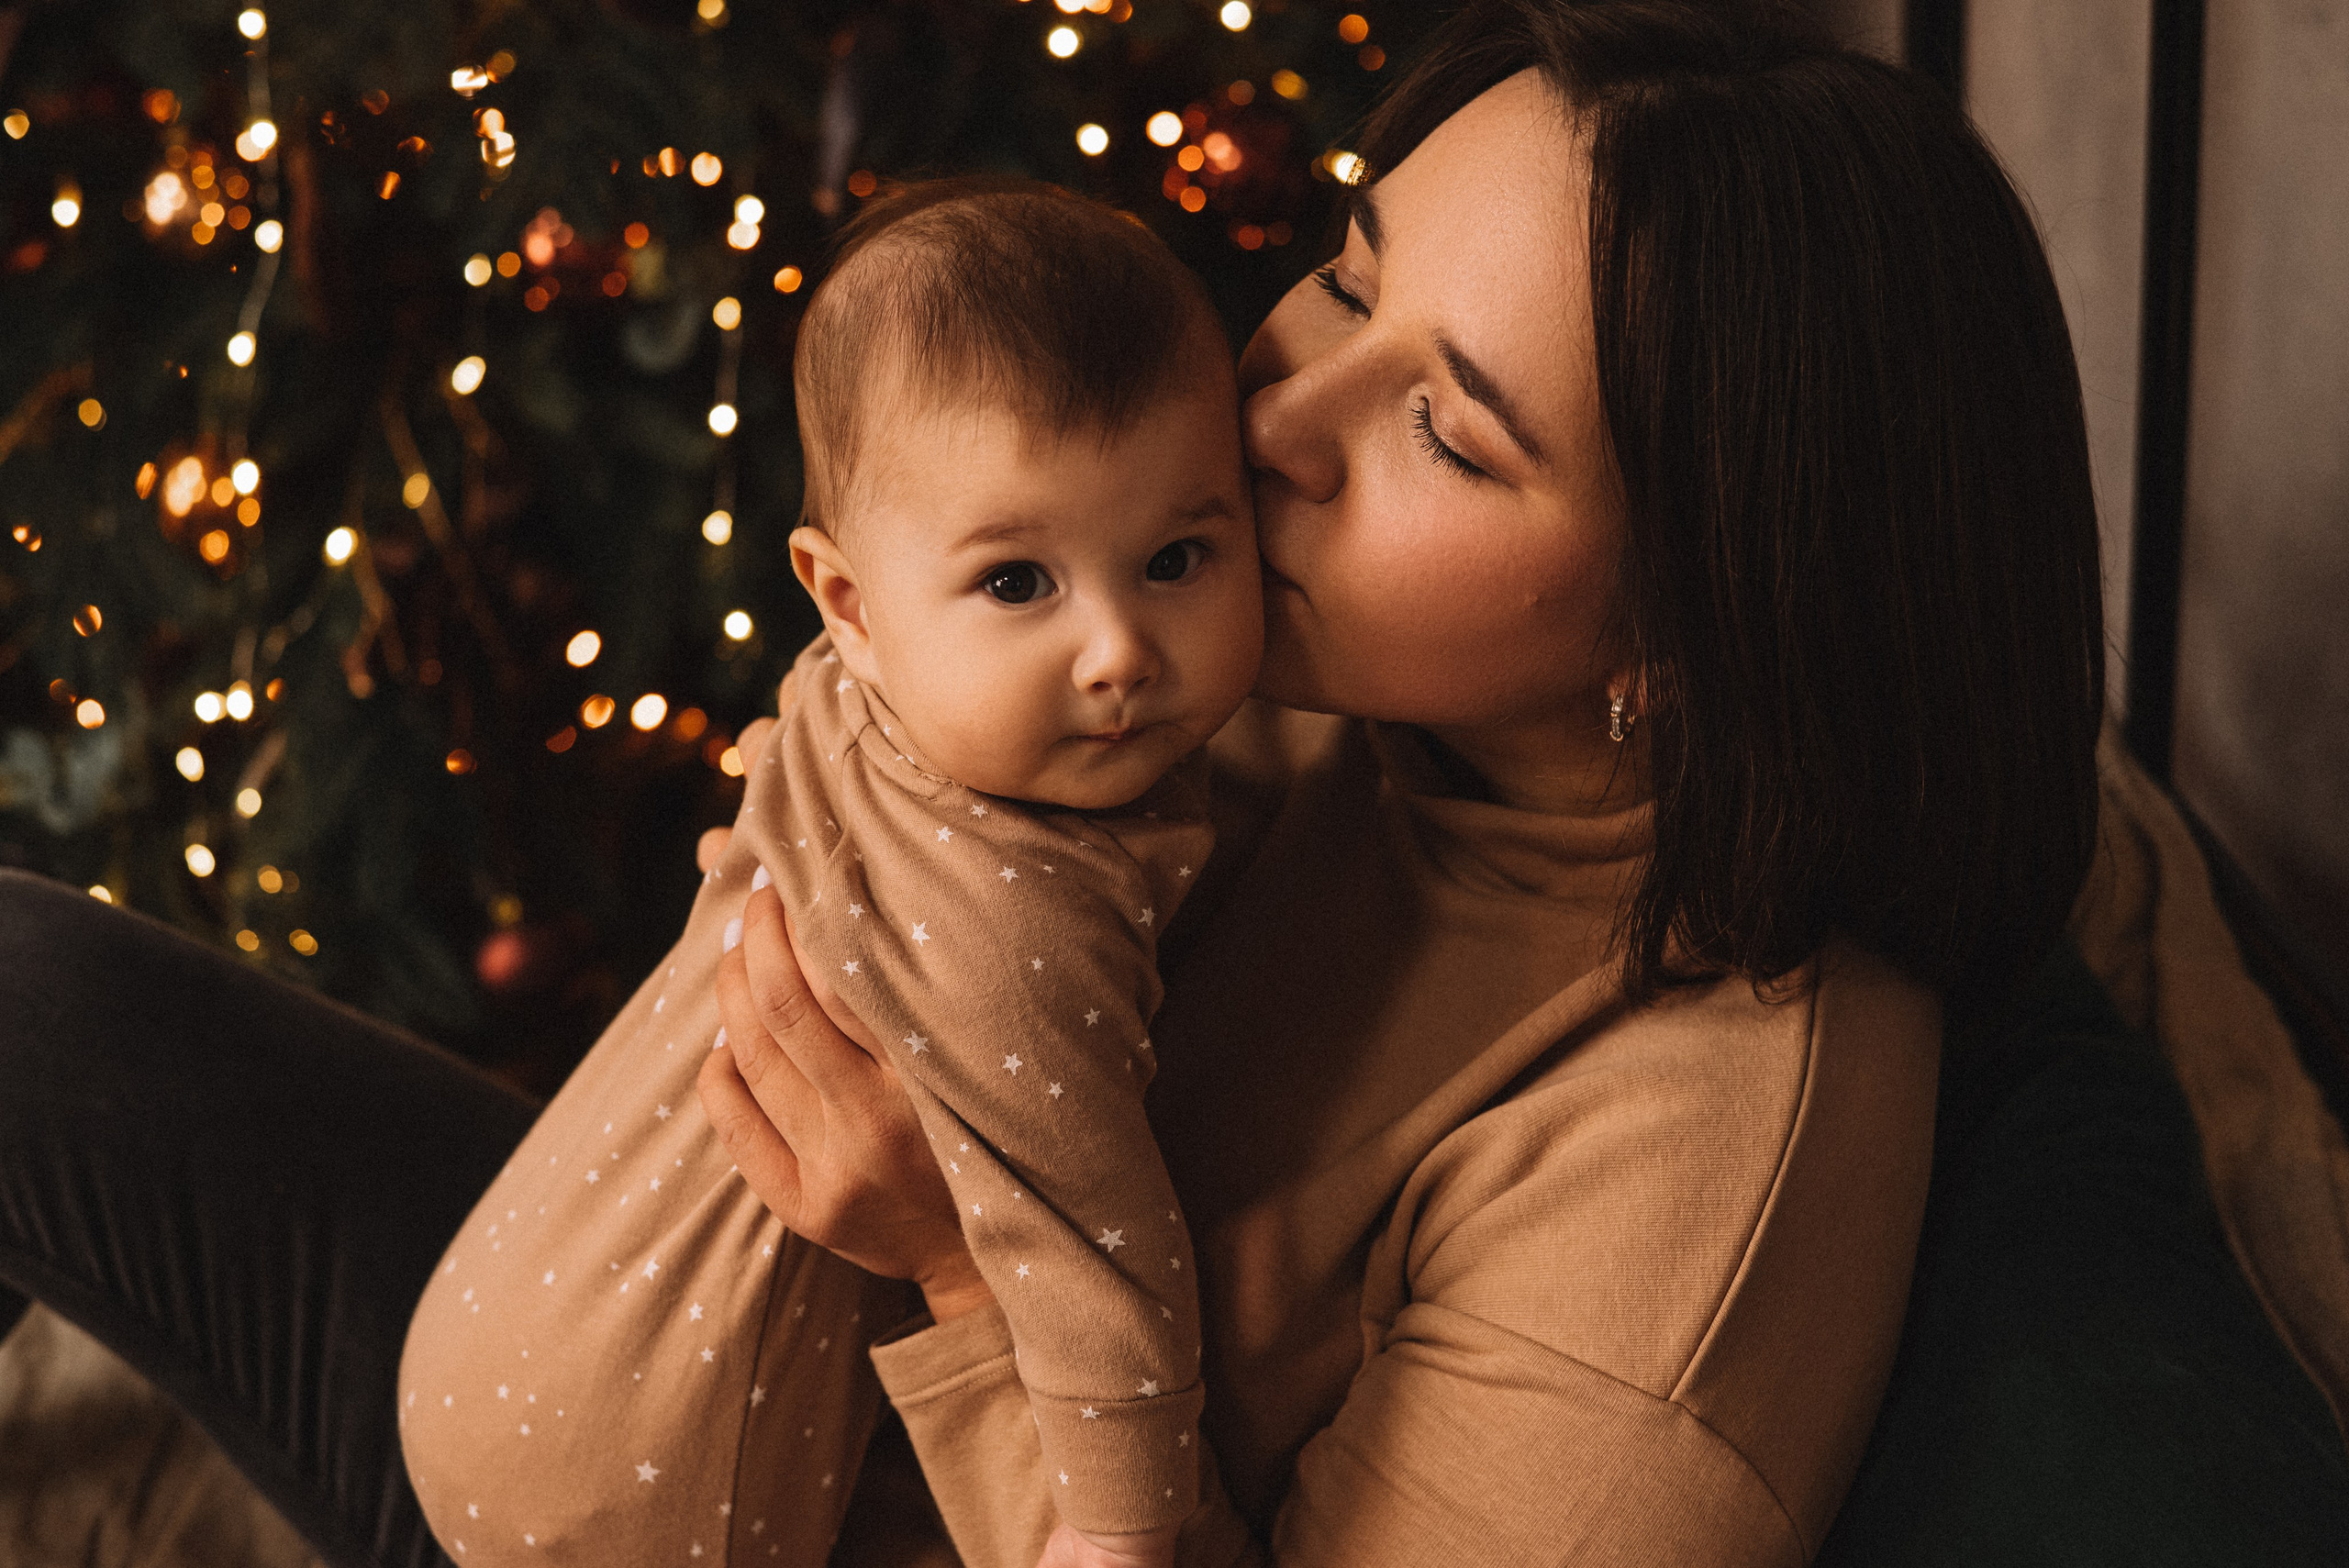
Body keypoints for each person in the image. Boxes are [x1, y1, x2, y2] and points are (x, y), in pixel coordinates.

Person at [1, 5, 2339, 1568]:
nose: (1280, 409)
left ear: (1694, 625)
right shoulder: (1298, 652)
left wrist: (944, 1262)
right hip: (708, 1342)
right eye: (1344, 276)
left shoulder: (1692, 1196)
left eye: (1446, 426)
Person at [395, 179, 1260, 1568]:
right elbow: (1094, 1255)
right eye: (1018, 584)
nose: (1118, 651)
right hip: (637, 1490)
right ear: (849, 605)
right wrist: (1116, 1530)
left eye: (1175, 558)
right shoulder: (1015, 922)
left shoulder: (859, 693)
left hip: (509, 1300)